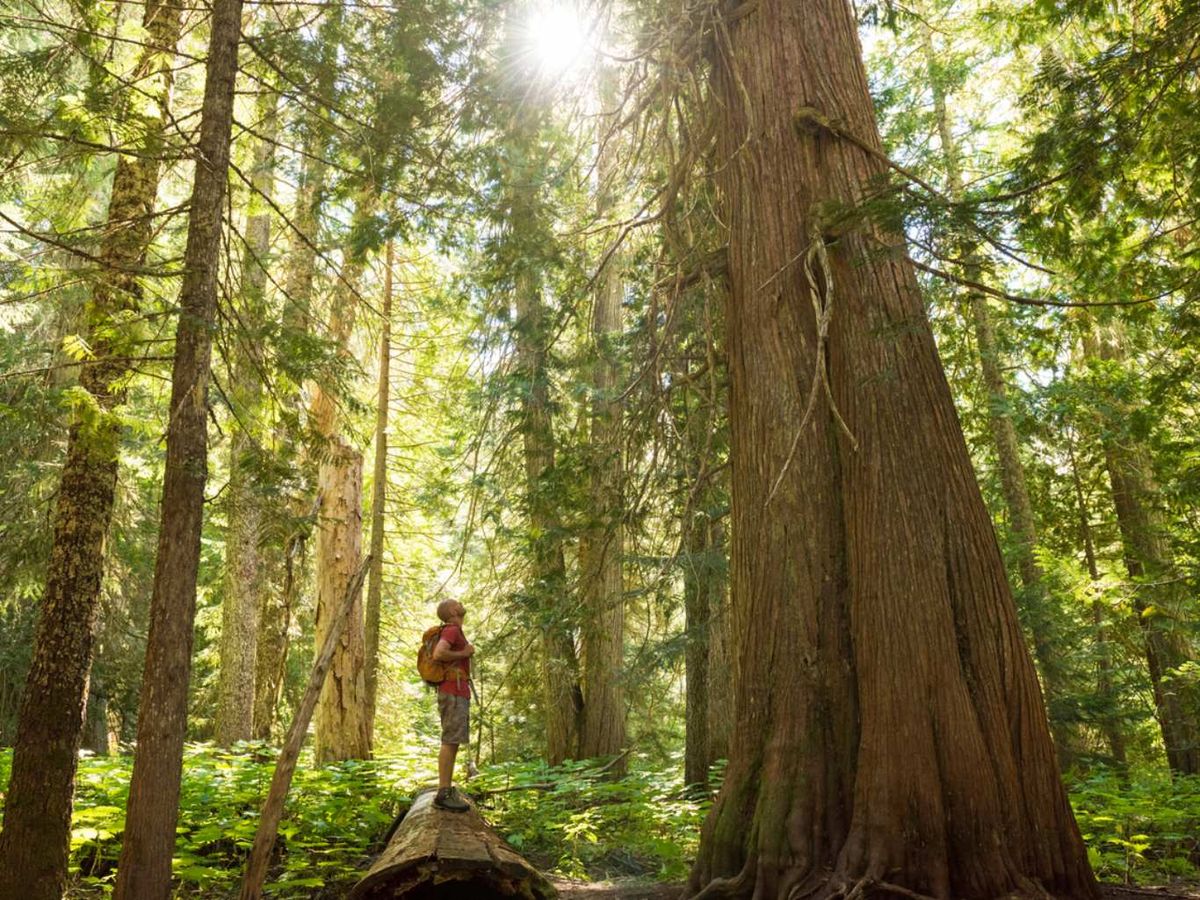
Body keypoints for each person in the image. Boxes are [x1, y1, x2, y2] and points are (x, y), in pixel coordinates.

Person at [432, 597, 474, 811]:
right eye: (456, 602)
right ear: (451, 611)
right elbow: (438, 653)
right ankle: (443, 792)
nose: (460, 603)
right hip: (452, 690)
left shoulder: (454, 630)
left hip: (455, 690)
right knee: (450, 740)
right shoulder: (451, 630)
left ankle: (446, 789)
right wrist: (464, 653)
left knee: (453, 740)